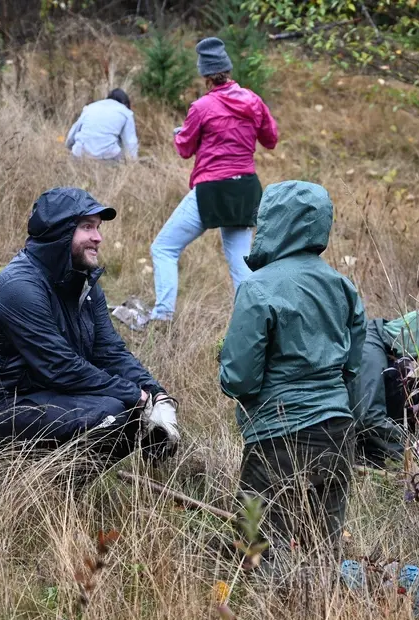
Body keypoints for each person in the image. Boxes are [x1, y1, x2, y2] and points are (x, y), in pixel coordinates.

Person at [0, 187, 179, 469]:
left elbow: (110, 352)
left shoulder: (84, 284)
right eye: (87, 227)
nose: (98, 237)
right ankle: (35, 485)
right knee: (116, 411)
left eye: (98, 227)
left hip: (40, 393)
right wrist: (138, 398)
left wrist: (157, 395)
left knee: (128, 407)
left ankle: (59, 488)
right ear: (59, 233)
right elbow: (59, 366)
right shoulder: (19, 288)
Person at [219, 180, 366, 557]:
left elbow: (240, 378)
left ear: (272, 222)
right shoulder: (343, 286)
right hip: (337, 432)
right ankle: (326, 611)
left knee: (258, 547)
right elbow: (352, 365)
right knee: (323, 551)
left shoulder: (257, 288)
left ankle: (266, 611)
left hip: (277, 436)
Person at [149, 37, 278, 322]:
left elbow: (184, 148)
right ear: (228, 70)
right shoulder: (254, 101)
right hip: (245, 188)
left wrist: (179, 133)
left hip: (212, 188)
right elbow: (271, 139)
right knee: (239, 263)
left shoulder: (201, 107)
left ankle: (162, 317)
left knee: (164, 248)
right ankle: (254, 323)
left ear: (205, 75)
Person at [356, 310, 419, 469]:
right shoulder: (370, 355)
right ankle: (370, 458)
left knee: (418, 386)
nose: (418, 359)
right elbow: (368, 416)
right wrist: (410, 448)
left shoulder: (381, 340)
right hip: (341, 431)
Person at [65, 88, 138, 161]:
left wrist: (69, 147)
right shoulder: (126, 112)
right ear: (125, 103)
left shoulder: (90, 107)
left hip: (80, 154)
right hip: (106, 158)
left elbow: (73, 133)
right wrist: (133, 162)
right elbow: (130, 143)